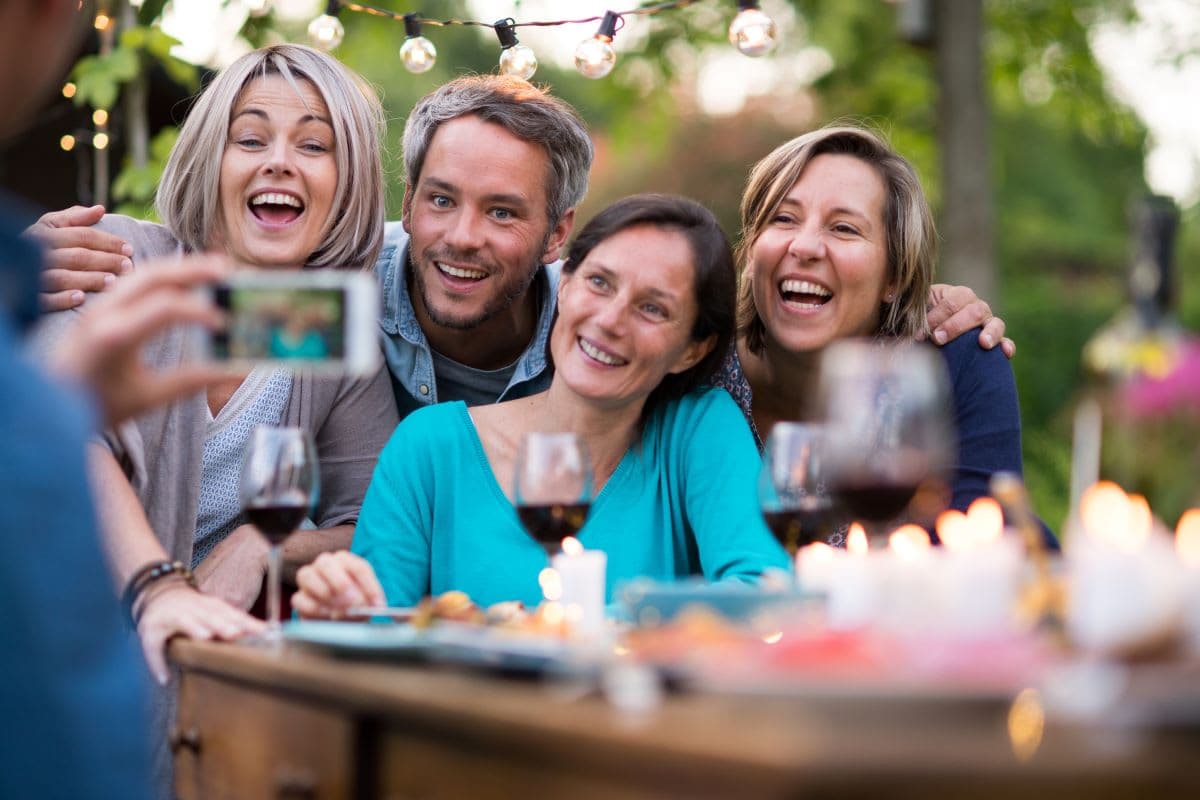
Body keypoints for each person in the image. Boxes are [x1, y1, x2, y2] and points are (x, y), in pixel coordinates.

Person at [35, 76, 1011, 420]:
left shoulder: (603, 328)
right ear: (405, 205)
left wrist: (915, 296)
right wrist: (27, 278)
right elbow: (187, 322)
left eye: (503, 213)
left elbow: (701, 371)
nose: (461, 237)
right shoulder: (343, 299)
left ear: (556, 238)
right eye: (441, 202)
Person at [292, 195, 790, 614]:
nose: (610, 320)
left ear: (692, 349)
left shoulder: (697, 427)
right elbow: (376, 626)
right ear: (566, 284)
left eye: (653, 308)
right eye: (599, 283)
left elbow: (764, 593)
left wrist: (569, 627)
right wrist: (338, 604)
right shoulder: (430, 447)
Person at [0, 2, 259, 797]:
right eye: (250, 139)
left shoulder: (339, 300)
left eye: (315, 144)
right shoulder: (110, 255)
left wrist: (262, 540)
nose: (279, 162)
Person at [713, 125, 1029, 519]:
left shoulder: (951, 364)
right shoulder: (695, 371)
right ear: (752, 251)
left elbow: (990, 542)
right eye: (783, 218)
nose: (805, 246)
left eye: (844, 228)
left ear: (894, 276)